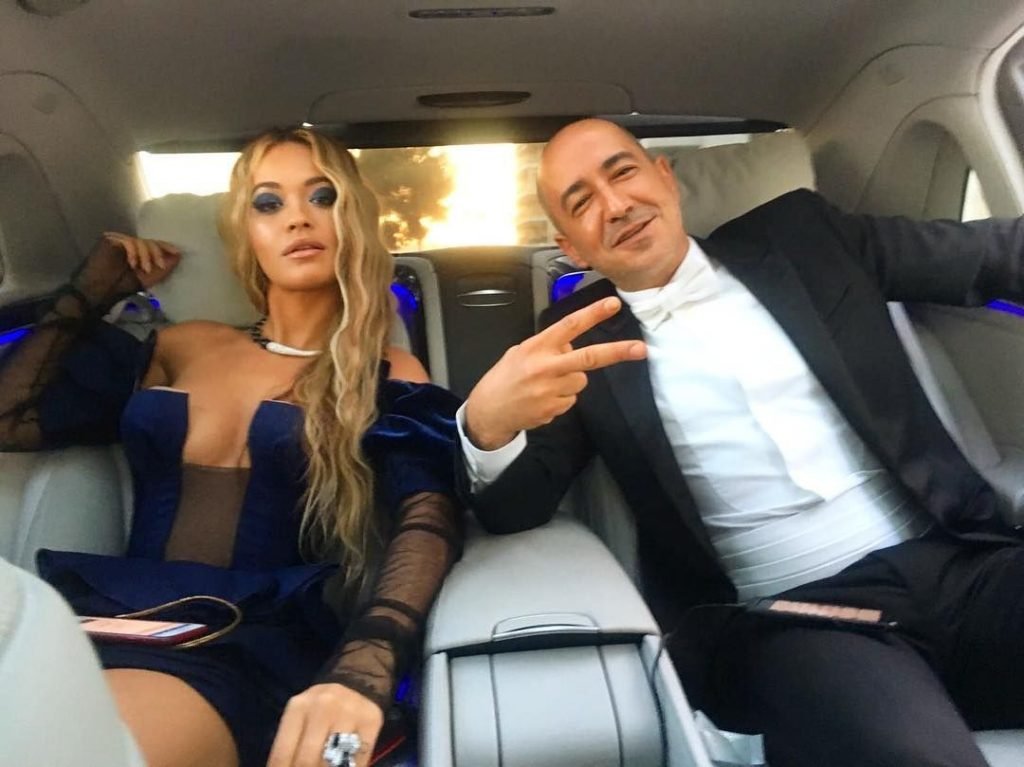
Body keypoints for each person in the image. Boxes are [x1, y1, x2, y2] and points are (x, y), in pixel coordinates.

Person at [458, 118, 1024, 766]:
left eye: (623, 172)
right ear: (572, 247)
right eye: (582, 202)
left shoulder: (803, 235)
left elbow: (986, 254)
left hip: (957, 566)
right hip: (796, 619)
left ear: (665, 178)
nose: (615, 206)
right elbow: (516, 506)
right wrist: (487, 425)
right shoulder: (573, 340)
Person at [0, 127, 463, 767]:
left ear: (353, 216)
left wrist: (364, 669)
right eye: (268, 203)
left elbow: (428, 519)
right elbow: (11, 418)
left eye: (322, 196)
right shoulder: (183, 344)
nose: (297, 218)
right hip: (101, 618)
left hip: (242, 644)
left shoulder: (383, 371)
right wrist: (92, 291)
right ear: (245, 234)